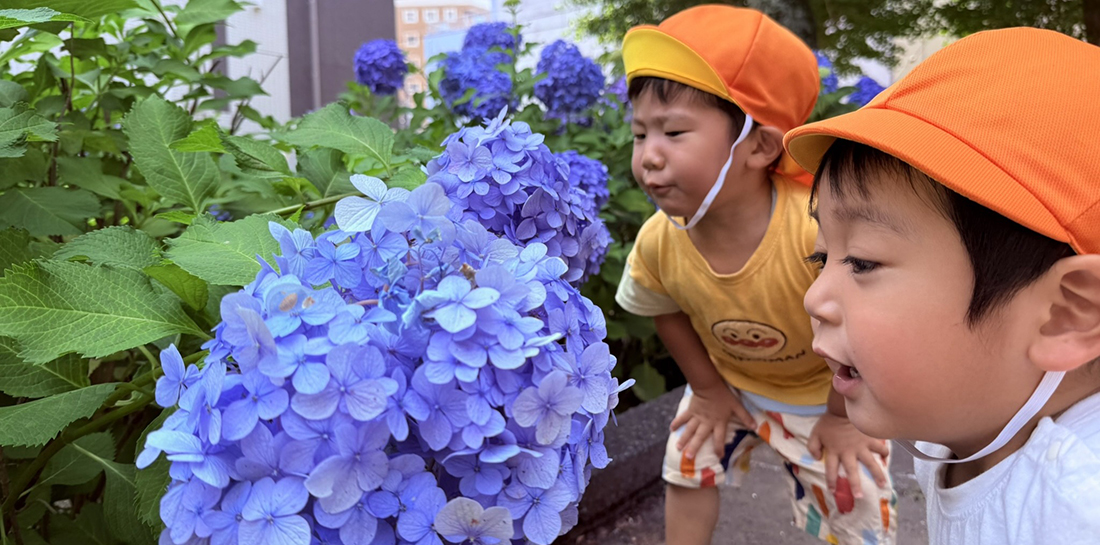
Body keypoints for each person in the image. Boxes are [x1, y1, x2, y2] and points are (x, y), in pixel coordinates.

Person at [784, 27, 1100, 544]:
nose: (814, 297)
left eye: (861, 261)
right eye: (822, 255)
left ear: (1067, 313)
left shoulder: (1080, 508)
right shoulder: (963, 429)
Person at [614, 6, 897, 544]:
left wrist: (842, 417)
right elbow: (661, 307)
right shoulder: (659, 239)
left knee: (856, 497)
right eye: (638, 134)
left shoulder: (810, 230)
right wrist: (706, 389)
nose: (648, 157)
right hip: (732, 387)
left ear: (761, 146)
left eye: (673, 131)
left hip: (827, 396)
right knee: (687, 459)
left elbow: (859, 328)